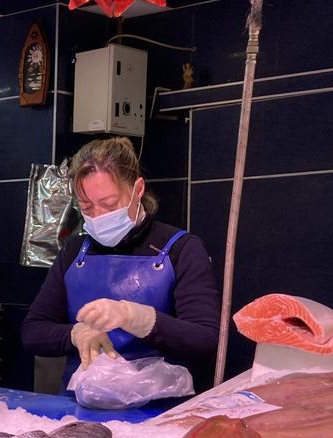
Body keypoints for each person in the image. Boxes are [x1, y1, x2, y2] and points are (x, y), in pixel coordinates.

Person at [22, 137, 220, 392]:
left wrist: (138, 318)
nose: (98, 216)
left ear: (138, 190)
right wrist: (75, 334)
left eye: (109, 204)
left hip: (160, 409)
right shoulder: (74, 251)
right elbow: (33, 331)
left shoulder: (182, 249)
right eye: (87, 207)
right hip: (82, 405)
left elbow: (205, 339)